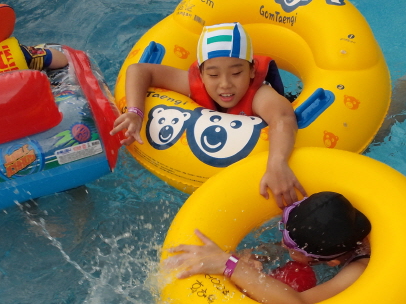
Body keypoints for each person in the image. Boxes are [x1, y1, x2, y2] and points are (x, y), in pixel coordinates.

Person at [111, 22, 305, 208]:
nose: (225, 84)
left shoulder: (259, 95)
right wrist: (135, 112)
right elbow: (138, 70)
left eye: (236, 73)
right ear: (201, 74)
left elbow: (283, 117)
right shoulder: (195, 85)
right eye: (213, 75)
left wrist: (277, 163)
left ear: (252, 70)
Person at [165, 191, 371, 304]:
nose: (283, 244)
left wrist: (230, 265)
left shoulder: (357, 270)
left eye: (291, 247)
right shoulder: (322, 236)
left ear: (332, 262)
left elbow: (297, 302)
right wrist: (251, 259)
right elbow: (274, 251)